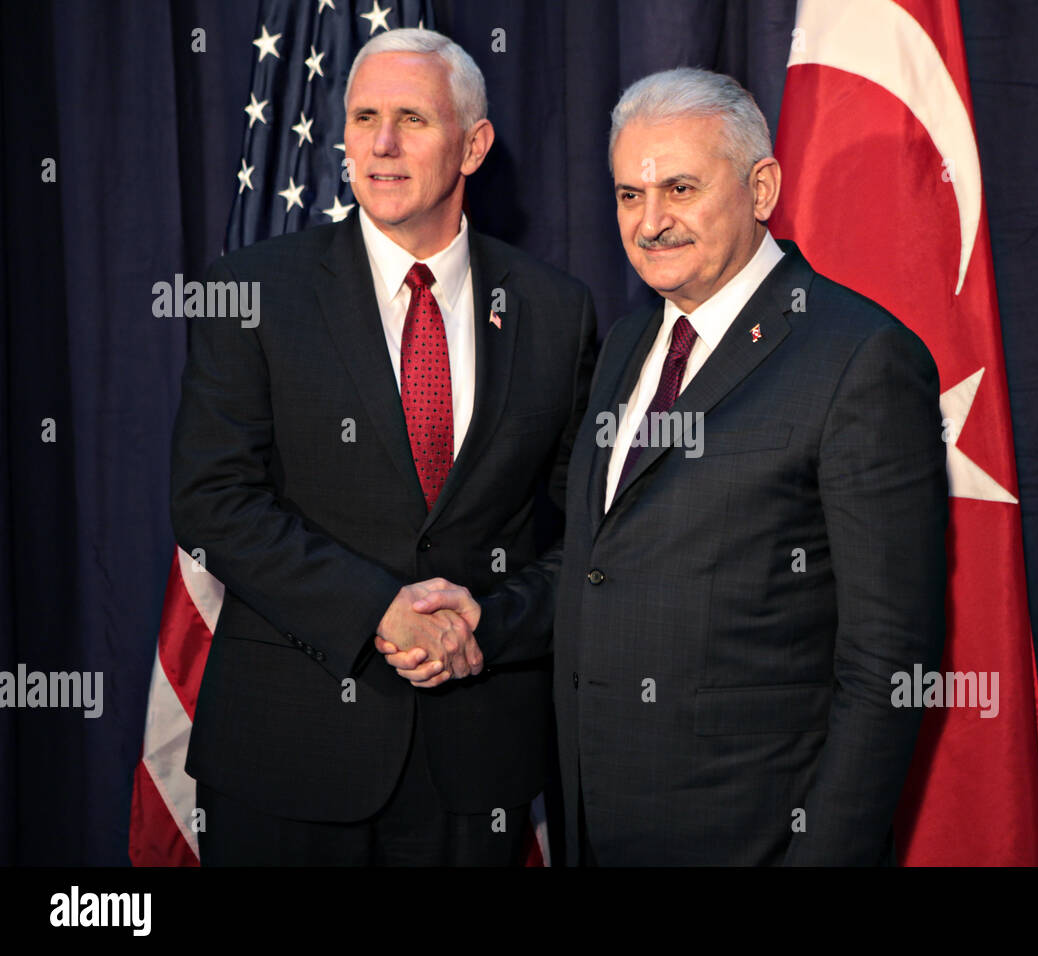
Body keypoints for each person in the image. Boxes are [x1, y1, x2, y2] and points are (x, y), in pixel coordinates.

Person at [399, 67, 948, 864]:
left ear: (762, 189)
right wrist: (493, 613)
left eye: (681, 188)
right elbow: (604, 565)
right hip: (598, 827)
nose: (650, 223)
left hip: (757, 837)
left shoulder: (860, 358)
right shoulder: (627, 343)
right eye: (629, 195)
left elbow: (889, 657)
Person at [171, 28, 596, 865]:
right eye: (364, 117)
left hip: (477, 766)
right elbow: (212, 503)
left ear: (474, 145)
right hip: (288, 758)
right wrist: (380, 611)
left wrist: (492, 623)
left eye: (412, 118)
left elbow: (591, 533)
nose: (383, 144)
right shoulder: (247, 292)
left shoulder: (556, 309)